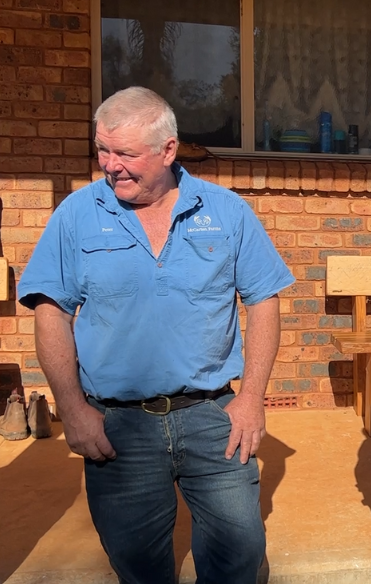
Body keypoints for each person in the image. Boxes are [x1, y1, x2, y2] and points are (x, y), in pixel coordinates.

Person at [17, 87, 294, 584]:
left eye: (125, 153)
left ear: (168, 150)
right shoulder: (76, 215)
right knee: (138, 567)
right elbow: (50, 311)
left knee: (239, 554)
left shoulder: (226, 212)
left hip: (212, 417)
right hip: (118, 428)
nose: (110, 165)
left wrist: (252, 398)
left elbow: (263, 299)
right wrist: (72, 409)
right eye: (102, 150)